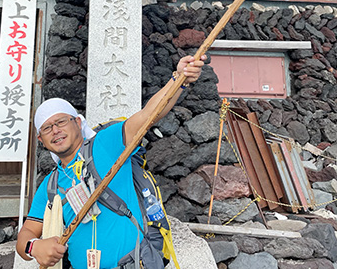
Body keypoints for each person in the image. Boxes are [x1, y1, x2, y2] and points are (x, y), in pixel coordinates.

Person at [17, 54, 205, 269]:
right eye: (47, 128)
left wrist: (177, 80)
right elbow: (27, 233)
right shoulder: (51, 185)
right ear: (41, 140)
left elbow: (149, 116)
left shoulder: (105, 144)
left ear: (78, 122)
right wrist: (34, 247)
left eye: (61, 121)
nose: (56, 131)